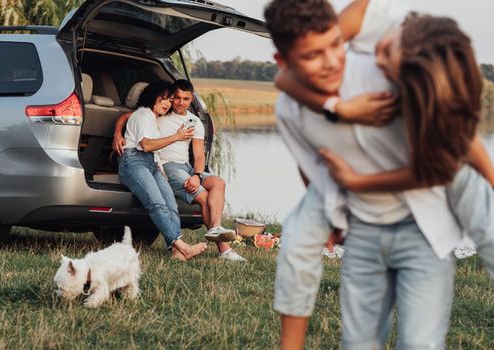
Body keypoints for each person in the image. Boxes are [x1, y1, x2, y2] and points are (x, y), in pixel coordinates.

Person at [265, 0, 494, 349]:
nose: (331, 61)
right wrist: (335, 109)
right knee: (355, 336)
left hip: (424, 223)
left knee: (420, 343)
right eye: (313, 55)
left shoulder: (398, 65)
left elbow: (458, 147)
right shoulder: (296, 104)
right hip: (365, 230)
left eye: (333, 47)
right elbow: (311, 161)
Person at [114, 80, 246, 262]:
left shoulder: (188, 120)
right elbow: (131, 124)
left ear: (192, 99)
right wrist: (117, 134)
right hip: (157, 163)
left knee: (215, 185)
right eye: (172, 98)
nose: (175, 102)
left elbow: (199, 155)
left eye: (185, 99)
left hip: (162, 164)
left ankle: (207, 233)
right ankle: (220, 249)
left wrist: (197, 176)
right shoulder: (151, 114)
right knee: (199, 199)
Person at [117, 80, 208, 261]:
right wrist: (177, 137)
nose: (167, 103)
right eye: (164, 99)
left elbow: (152, 150)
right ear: (153, 97)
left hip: (152, 163)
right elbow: (146, 144)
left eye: (169, 100)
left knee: (170, 205)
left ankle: (176, 252)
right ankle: (182, 246)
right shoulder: (143, 115)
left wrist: (158, 166)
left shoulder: (153, 117)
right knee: (157, 203)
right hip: (133, 162)